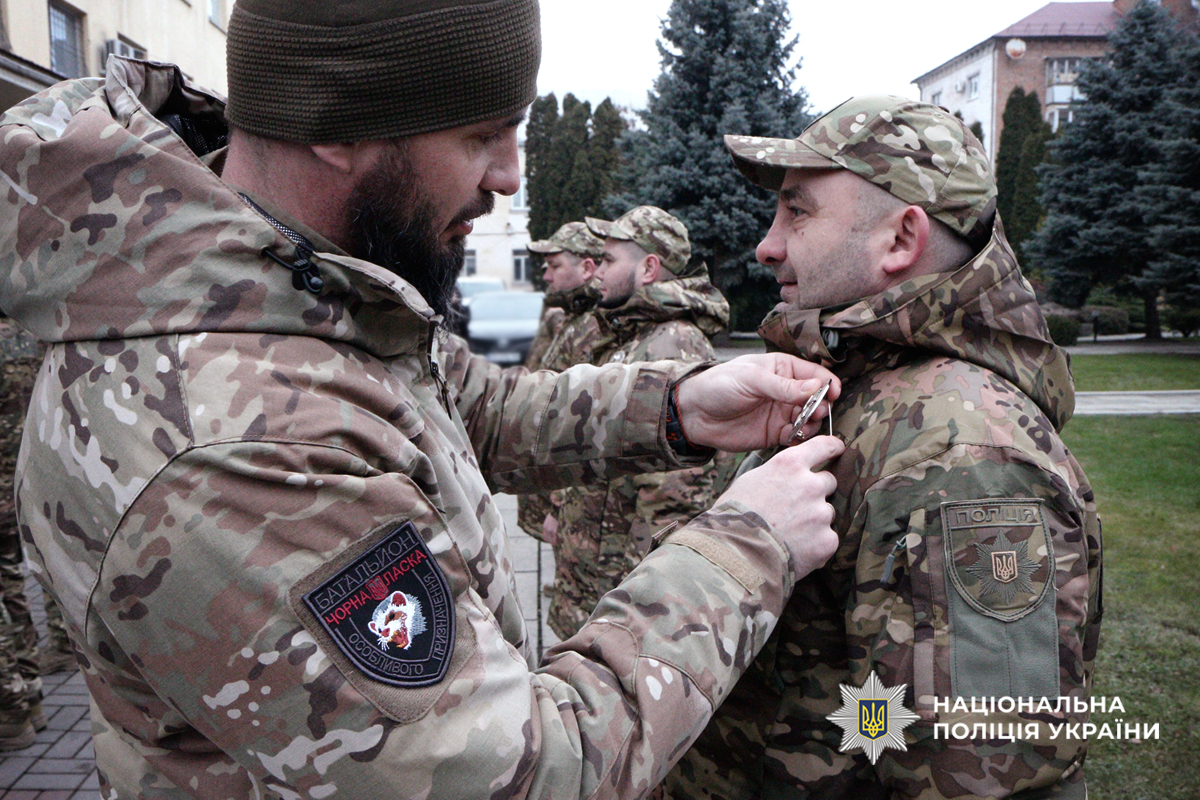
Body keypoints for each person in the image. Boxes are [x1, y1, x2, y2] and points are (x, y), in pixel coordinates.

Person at [0, 2, 848, 797]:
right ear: (343, 128)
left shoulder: (301, 285)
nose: (511, 176)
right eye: (485, 134)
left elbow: (464, 410)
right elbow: (524, 773)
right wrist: (747, 546)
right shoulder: (234, 447)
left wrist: (676, 408)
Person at [662, 96, 1103, 800]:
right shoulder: (865, 388)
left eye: (798, 212)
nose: (766, 245)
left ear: (901, 240)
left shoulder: (966, 456)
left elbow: (986, 774)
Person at [544, 207, 733, 640]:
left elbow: (673, 491)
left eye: (609, 261)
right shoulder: (631, 335)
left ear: (648, 268)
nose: (598, 274)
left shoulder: (673, 343)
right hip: (593, 567)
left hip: (618, 583)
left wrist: (638, 598)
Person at [517, 222, 605, 553]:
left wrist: (559, 507)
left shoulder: (593, 326)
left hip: (577, 504)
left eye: (555, 266)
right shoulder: (574, 318)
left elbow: (582, 427)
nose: (547, 275)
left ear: (586, 268)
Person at [0, 317, 46, 750]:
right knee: (13, 581)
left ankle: (11, 708)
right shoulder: (28, 336)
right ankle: (29, 691)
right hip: (23, 479)